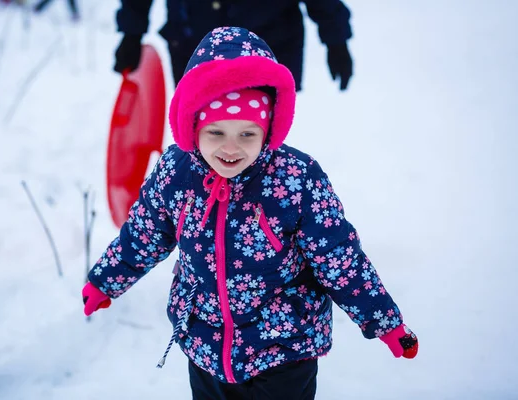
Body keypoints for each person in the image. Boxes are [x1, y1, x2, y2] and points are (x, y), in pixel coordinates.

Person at [83, 26, 417, 399]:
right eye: (216, 133)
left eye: (247, 134)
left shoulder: (296, 180)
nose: (231, 148)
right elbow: (144, 233)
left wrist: (384, 322)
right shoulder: (176, 173)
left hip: (285, 352)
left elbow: (339, 260)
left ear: (268, 129)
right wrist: (104, 280)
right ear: (194, 125)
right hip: (205, 347)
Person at [113, 0, 354, 92]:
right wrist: (131, 33)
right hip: (194, 42)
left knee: (257, 140)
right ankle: (205, 200)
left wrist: (336, 40)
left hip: (267, 46)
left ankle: (262, 200)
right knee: (202, 137)